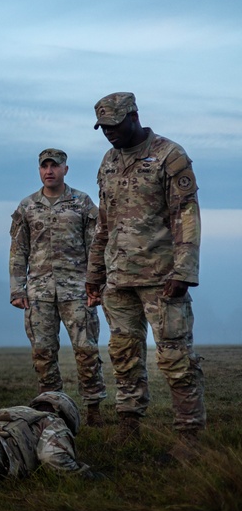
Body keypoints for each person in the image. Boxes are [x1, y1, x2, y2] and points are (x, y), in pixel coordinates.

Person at [87, 92, 205, 460]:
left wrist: (184, 270)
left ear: (134, 116)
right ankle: (129, 426)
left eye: (115, 125)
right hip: (118, 279)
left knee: (175, 357)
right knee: (123, 354)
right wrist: (94, 273)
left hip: (161, 277)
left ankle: (189, 436)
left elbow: (186, 216)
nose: (109, 133)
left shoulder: (170, 155)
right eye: (103, 128)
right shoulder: (108, 161)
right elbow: (102, 224)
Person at [9, 148, 107, 425]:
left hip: (78, 290)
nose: (49, 171)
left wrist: (98, 284)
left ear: (66, 169)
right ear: (39, 170)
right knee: (43, 352)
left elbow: (97, 246)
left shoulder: (82, 203)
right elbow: (18, 251)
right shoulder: (27, 206)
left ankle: (93, 409)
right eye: (44, 166)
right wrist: (17, 290)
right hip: (39, 293)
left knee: (86, 350)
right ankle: (51, 408)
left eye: (55, 166)